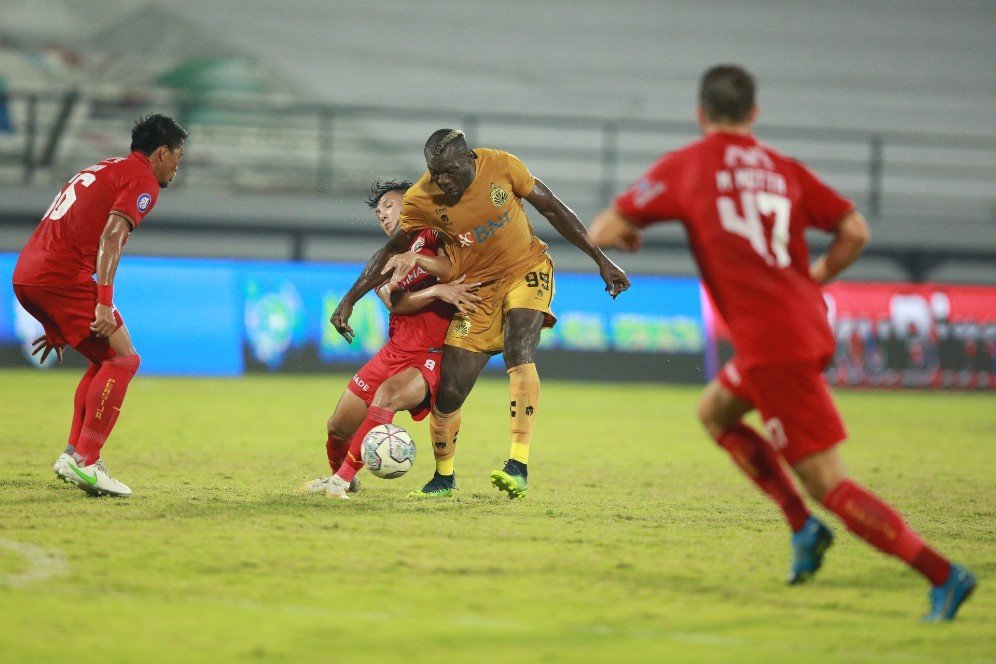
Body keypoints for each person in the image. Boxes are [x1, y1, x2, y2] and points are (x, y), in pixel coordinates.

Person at [589, 65, 976, 622]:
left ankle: (942, 574)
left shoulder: (687, 166)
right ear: (754, 114)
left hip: (775, 348)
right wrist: (815, 275)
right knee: (716, 412)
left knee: (828, 482)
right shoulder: (783, 168)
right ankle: (802, 527)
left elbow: (603, 230)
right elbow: (856, 230)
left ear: (701, 114)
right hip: (806, 324)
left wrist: (628, 230)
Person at [331, 129, 630, 499]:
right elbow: (389, 253)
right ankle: (444, 477)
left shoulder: (502, 166)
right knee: (450, 392)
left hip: (526, 267)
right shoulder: (423, 198)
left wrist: (601, 259)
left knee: (519, 348)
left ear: (469, 159)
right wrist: (350, 299)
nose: (443, 180)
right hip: (478, 290)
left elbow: (552, 207)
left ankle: (517, 464)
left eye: (449, 172)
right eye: (435, 172)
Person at [12, 113, 187, 497]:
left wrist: (54, 320)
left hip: (28, 273)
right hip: (61, 277)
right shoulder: (142, 179)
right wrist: (103, 303)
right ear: (161, 152)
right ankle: (86, 461)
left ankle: (74, 453)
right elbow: (111, 237)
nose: (178, 165)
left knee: (103, 360)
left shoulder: (103, 167)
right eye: (177, 155)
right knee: (123, 360)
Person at [304, 180, 481, 499]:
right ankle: (344, 478)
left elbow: (448, 266)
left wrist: (420, 263)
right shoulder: (385, 262)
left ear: (410, 204)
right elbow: (396, 302)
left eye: (389, 205)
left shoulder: (432, 233)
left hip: (430, 354)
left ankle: (341, 481)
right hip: (394, 351)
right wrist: (437, 291)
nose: (383, 215)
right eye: (378, 213)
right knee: (337, 426)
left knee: (386, 396)